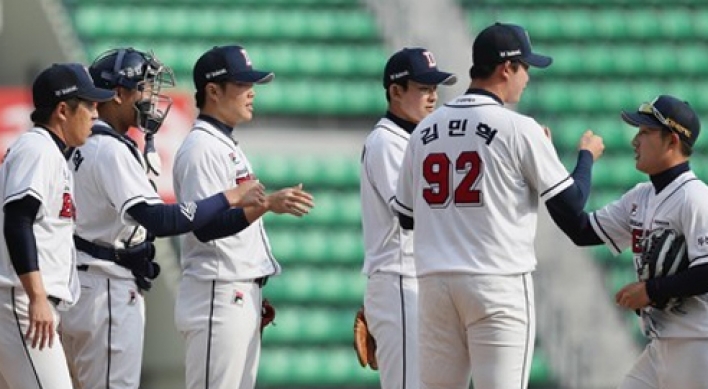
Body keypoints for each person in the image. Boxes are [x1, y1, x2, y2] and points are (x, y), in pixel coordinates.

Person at [392, 22, 605, 389]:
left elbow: (406, 217)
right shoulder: (518, 128)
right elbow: (572, 205)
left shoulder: (424, 131)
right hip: (496, 282)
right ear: (507, 68)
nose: (527, 78)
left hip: (435, 284)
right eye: (525, 68)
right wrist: (585, 158)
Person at [60, 48, 266, 389]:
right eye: (142, 88)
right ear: (117, 93)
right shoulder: (109, 148)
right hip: (104, 288)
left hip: (84, 282)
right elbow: (160, 220)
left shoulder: (85, 143)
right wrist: (228, 197)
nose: (149, 98)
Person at [172, 44, 315, 389]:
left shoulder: (222, 143)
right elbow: (204, 229)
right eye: (241, 83)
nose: (251, 92)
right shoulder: (201, 148)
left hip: (234, 293)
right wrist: (267, 204)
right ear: (213, 90)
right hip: (217, 293)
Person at [547, 94, 708, 389]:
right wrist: (549, 167)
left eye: (645, 132)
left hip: (697, 343)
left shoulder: (695, 197)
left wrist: (650, 290)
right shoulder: (640, 196)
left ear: (672, 140)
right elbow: (580, 229)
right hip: (661, 345)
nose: (635, 141)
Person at [0, 63, 114, 389]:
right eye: (89, 105)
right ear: (63, 110)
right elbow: (18, 220)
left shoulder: (50, 152)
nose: (96, 113)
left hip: (23, 299)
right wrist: (36, 297)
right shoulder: (38, 149)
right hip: (21, 299)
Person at [359, 47, 456, 389]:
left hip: (416, 279)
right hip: (398, 279)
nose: (433, 97)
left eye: (435, 88)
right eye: (423, 88)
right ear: (396, 91)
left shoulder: (418, 140)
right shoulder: (386, 141)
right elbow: (408, 212)